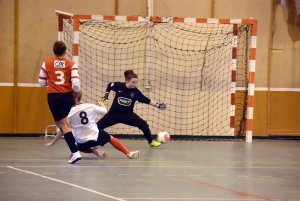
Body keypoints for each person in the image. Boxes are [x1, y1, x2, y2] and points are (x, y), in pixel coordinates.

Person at [45, 91, 140, 159]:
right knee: (111, 138)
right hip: (96, 136)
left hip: (81, 141)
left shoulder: (67, 113)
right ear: (79, 98)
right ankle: (128, 153)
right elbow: (104, 111)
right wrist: (102, 104)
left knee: (73, 147)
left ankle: (92, 150)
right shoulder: (90, 106)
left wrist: (52, 142)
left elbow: (62, 131)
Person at [97, 70, 167, 147]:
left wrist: (158, 105)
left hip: (128, 115)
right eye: (133, 82)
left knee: (144, 125)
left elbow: (147, 100)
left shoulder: (136, 92)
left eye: (136, 82)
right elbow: (110, 85)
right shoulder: (119, 86)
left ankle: (151, 142)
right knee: (96, 127)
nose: (135, 84)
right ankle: (94, 143)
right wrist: (106, 95)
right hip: (113, 115)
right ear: (127, 80)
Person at [39, 41, 81, 164]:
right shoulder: (71, 64)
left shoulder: (46, 63)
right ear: (65, 51)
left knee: (64, 126)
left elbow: (41, 83)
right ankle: (74, 149)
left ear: (54, 51)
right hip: (67, 96)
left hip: (54, 97)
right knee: (62, 123)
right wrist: (76, 97)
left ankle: (75, 152)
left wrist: (51, 83)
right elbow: (76, 85)